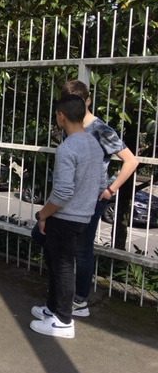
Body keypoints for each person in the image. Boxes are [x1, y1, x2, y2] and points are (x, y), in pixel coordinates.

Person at [61, 80, 139, 317]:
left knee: (83, 249)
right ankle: (64, 296)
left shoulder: (100, 129)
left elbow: (131, 160)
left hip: (93, 198)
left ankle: (80, 300)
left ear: (88, 100)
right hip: (72, 197)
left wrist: (110, 189)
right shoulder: (71, 126)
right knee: (65, 246)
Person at [30, 94, 104, 339]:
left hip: (65, 217)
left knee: (61, 267)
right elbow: (101, 182)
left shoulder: (68, 147)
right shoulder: (94, 144)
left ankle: (63, 320)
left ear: (61, 116)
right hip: (84, 215)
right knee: (56, 263)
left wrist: (43, 214)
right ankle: (53, 309)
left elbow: (62, 192)